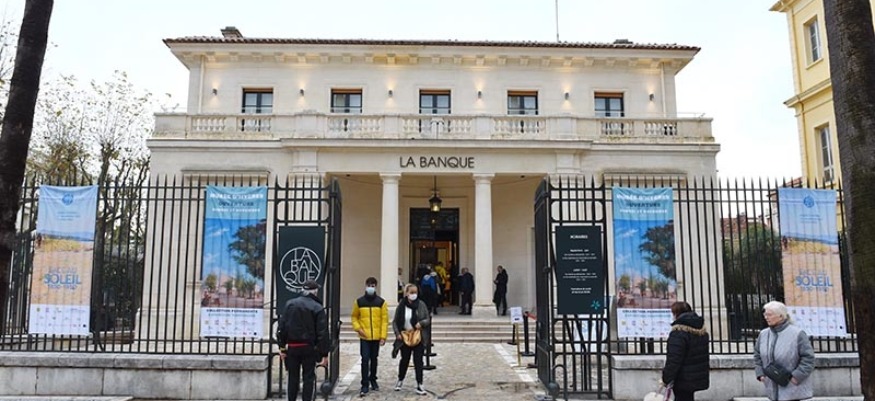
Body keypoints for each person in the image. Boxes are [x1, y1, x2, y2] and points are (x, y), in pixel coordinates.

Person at [277, 280, 329, 401]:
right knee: (308, 378)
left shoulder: (290, 304)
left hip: (293, 346)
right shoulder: (317, 307)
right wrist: (324, 353)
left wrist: (282, 347)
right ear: (315, 291)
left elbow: (282, 328)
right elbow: (322, 332)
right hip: (308, 347)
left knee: (292, 377)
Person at [753, 301, 815, 401]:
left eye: (769, 315)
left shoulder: (797, 334)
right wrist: (760, 373)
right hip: (771, 388)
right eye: (765, 314)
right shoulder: (763, 334)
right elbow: (757, 355)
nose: (766, 317)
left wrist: (796, 377)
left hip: (793, 389)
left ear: (781, 316)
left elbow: (808, 358)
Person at [661, 301, 710, 401]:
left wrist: (666, 378)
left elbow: (674, 359)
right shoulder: (701, 331)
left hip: (682, 378)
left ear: (677, 314)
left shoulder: (678, 333)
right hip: (695, 376)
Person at [351, 277, 389, 397]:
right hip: (365, 336)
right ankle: (364, 384)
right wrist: (358, 328)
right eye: (369, 285)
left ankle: (373, 378)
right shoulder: (359, 302)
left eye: (373, 286)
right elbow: (354, 317)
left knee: (374, 359)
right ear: (365, 286)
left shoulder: (381, 302)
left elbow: (384, 320)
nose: (371, 287)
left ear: (376, 287)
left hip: (376, 336)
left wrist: (383, 336)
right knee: (365, 359)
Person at [393, 283, 430, 396]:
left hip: (418, 336)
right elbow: (395, 321)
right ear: (406, 293)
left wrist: (421, 323)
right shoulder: (401, 305)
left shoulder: (421, 305)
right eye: (411, 292)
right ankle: (400, 379)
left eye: (415, 292)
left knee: (418, 361)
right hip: (405, 336)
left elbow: (427, 319)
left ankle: (420, 383)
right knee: (405, 359)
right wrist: (397, 333)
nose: (414, 294)